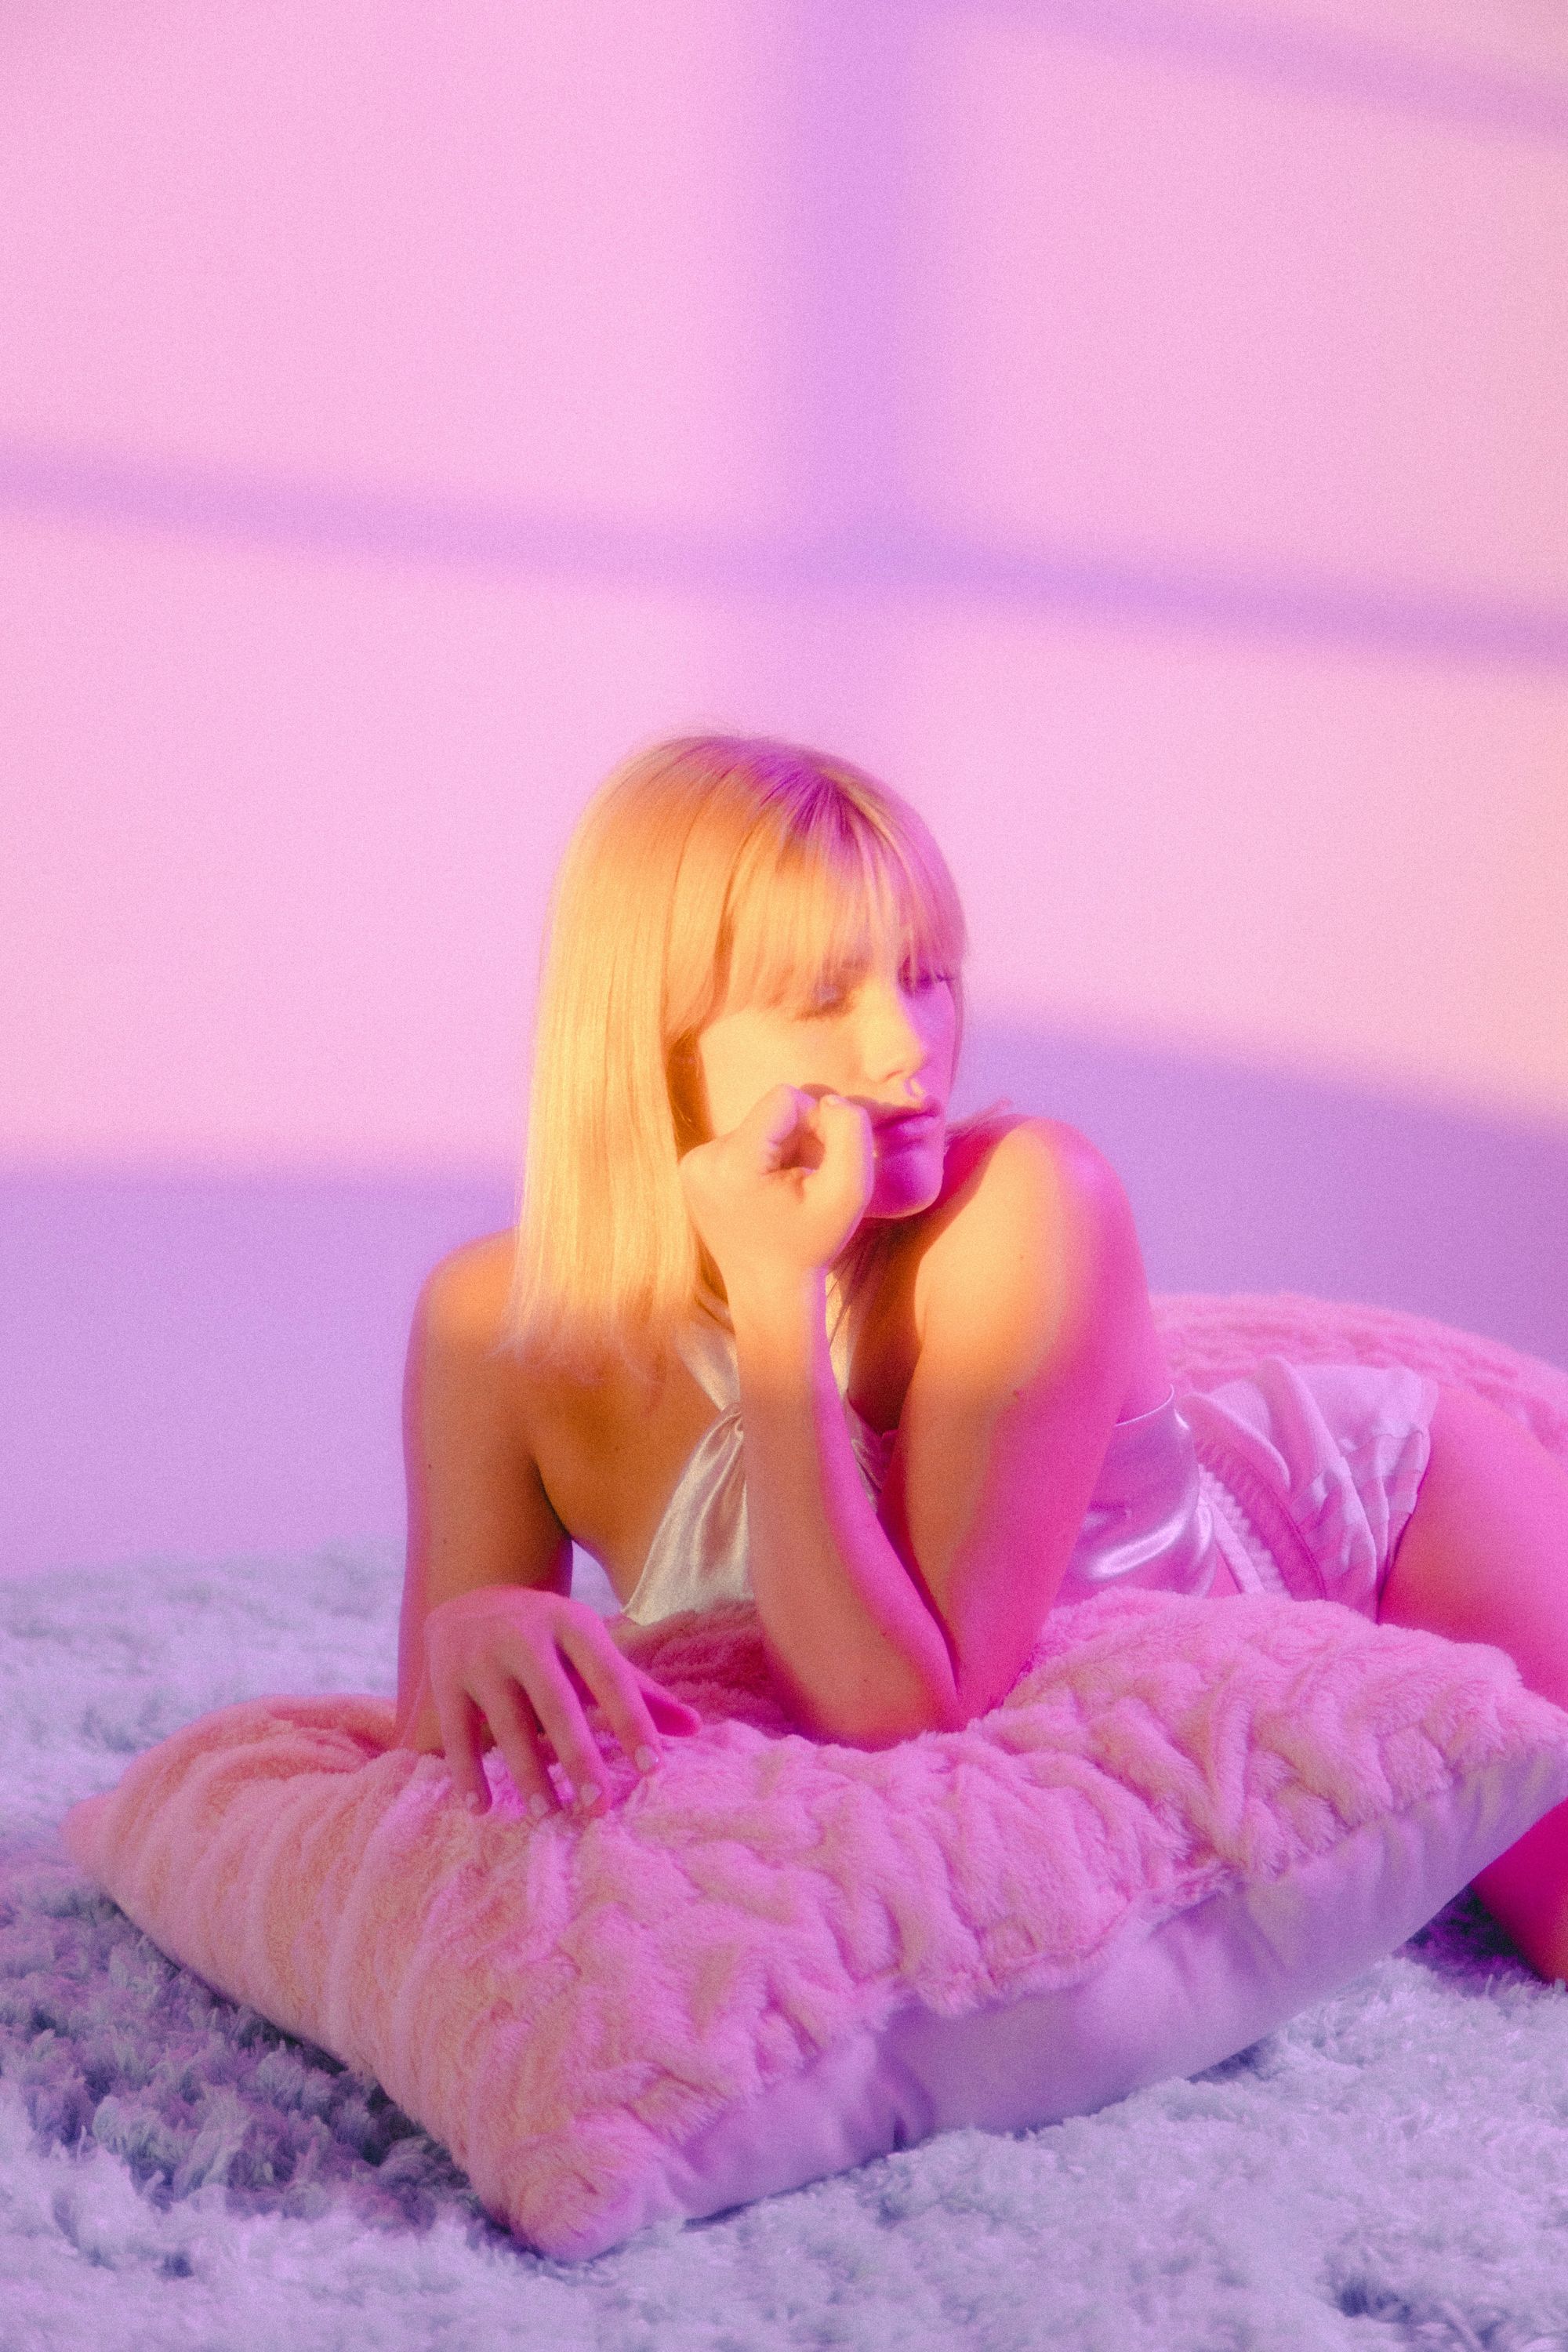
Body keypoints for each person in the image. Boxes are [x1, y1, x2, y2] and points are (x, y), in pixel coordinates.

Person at [393, 733, 1568, 1986]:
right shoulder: (491, 1323)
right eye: (822, 997)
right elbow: (425, 1765)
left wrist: (775, 1296)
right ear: (656, 1043)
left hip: (1370, 1528)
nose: (905, 1048)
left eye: (927, 979)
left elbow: (896, 1711)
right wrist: (482, 1623)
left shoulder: (1026, 1198)